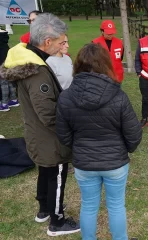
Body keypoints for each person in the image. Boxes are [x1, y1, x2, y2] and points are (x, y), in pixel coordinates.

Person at [0, 13, 80, 236]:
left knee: (46, 171)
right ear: (48, 42)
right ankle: (57, 221)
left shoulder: (28, 60)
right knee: (57, 174)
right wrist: (69, 131)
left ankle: (44, 209)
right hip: (50, 138)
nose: (62, 45)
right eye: (60, 41)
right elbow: (48, 112)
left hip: (38, 133)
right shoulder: (37, 72)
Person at [56, 43, 142, 240]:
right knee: (116, 205)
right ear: (106, 64)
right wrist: (124, 150)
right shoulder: (118, 96)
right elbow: (134, 135)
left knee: (89, 205)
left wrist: (79, 147)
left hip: (86, 164)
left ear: (77, 65)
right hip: (114, 164)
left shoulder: (66, 97)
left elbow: (63, 135)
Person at [0, 29, 19, 112]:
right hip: (8, 62)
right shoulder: (5, 41)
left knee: (3, 83)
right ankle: (14, 100)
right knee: (10, 81)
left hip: (2, 64)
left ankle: (4, 104)